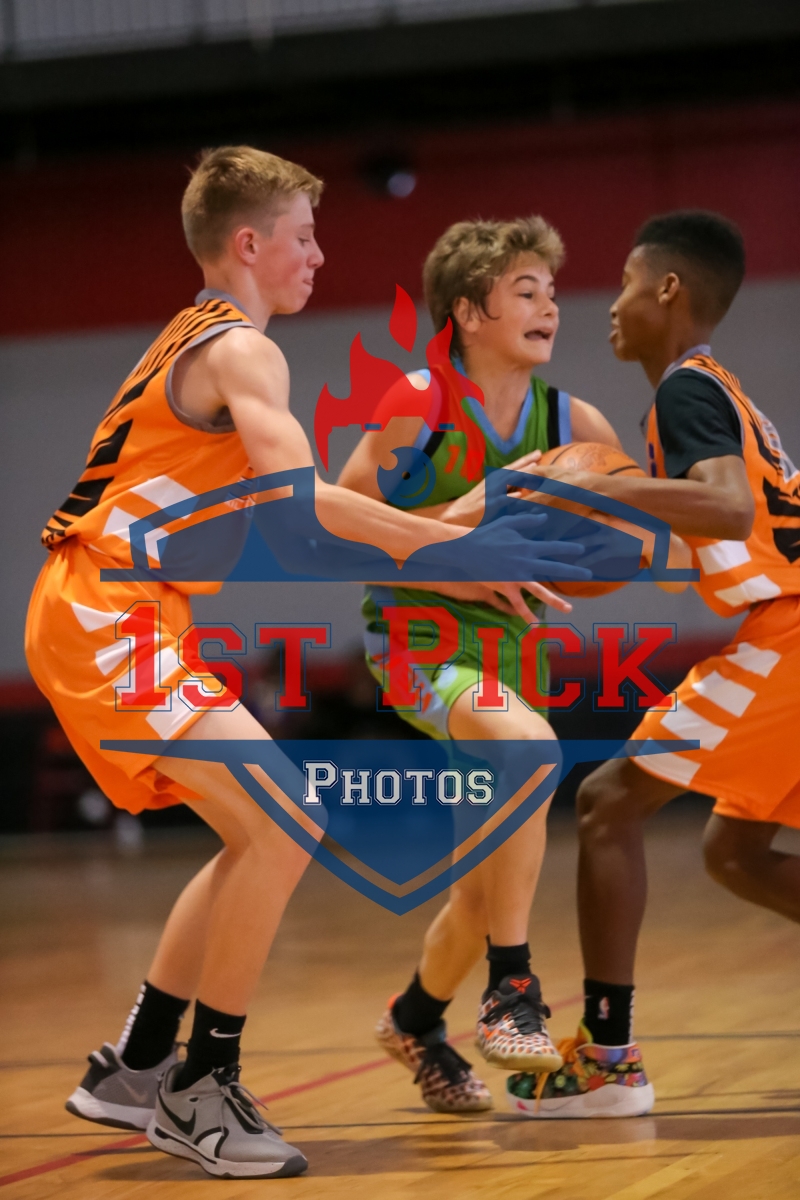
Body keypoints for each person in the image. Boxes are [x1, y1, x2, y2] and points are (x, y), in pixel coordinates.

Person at [29, 147, 579, 1177]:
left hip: (118, 610)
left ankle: (138, 1065)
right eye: (304, 236)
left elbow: (298, 520)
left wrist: (441, 549)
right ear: (248, 244)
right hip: (108, 611)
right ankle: (202, 1086)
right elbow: (303, 507)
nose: (319, 255)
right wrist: (454, 547)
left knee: (259, 829)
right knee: (285, 821)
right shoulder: (243, 349)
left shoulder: (196, 337)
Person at [507, 209, 800, 1119]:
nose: (611, 303)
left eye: (629, 281)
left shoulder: (686, 391)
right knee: (735, 852)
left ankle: (607, 1060)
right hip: (784, 629)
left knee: (606, 802)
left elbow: (724, 510)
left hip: (789, 636)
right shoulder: (716, 391)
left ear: (669, 288)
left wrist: (595, 486)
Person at [338, 215, 624, 1113]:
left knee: (478, 893)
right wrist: (463, 526)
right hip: (419, 644)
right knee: (533, 751)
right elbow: (337, 531)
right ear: (467, 311)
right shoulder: (418, 402)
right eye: (525, 291)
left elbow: (622, 556)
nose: (550, 307)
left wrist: (588, 557)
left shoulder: (576, 425)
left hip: (510, 656)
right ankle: (512, 991)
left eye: (552, 292)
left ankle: (414, 1021)